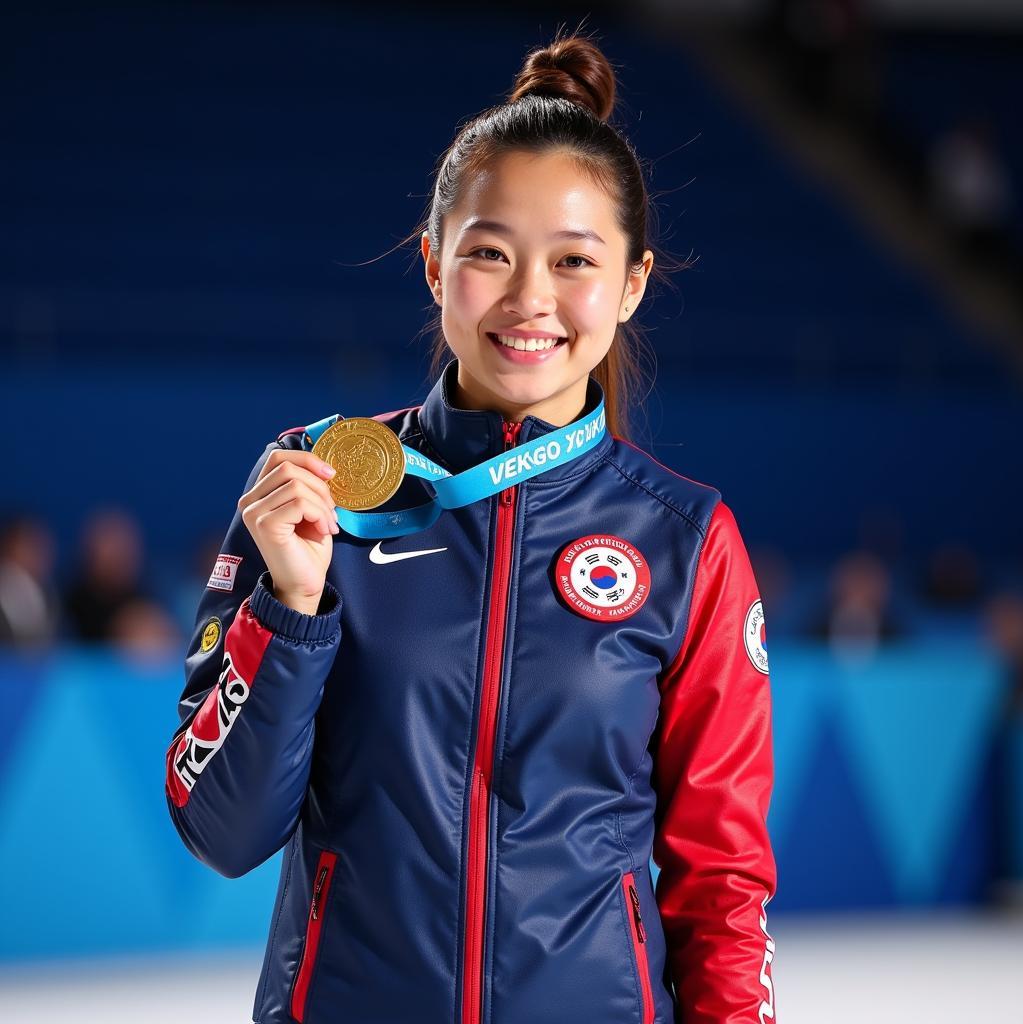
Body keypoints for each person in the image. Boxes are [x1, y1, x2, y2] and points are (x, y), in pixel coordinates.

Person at [164, 30, 778, 1024]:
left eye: (574, 260)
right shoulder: (313, 485)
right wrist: (291, 604)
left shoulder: (683, 540)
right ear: (432, 263)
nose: (530, 299)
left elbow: (722, 886)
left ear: (629, 284)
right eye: (488, 252)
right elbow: (222, 831)